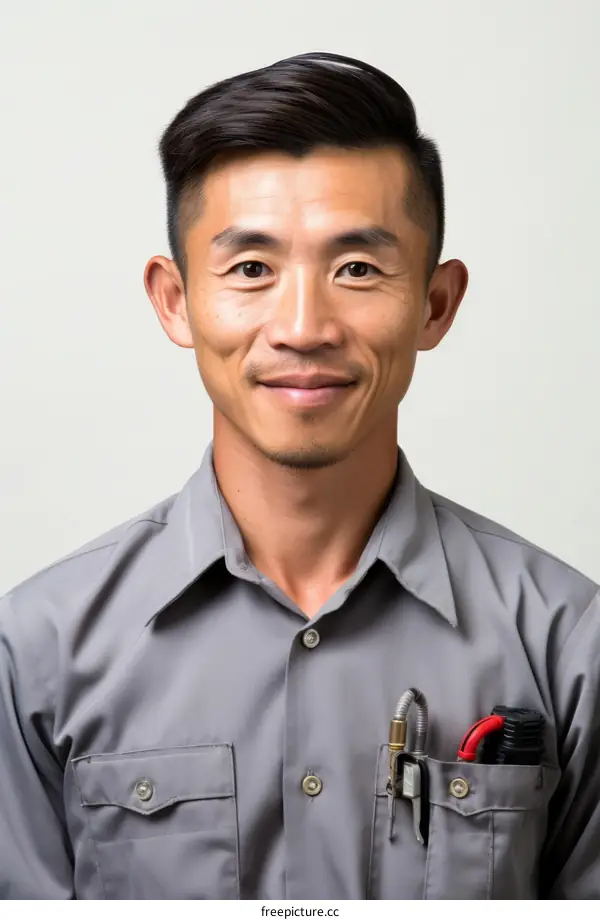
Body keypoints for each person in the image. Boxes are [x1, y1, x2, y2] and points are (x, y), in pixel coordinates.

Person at [0, 51, 598, 901]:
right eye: (251, 269)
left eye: (357, 268)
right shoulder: (35, 653)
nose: (304, 325)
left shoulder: (570, 644)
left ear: (435, 304)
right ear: (175, 300)